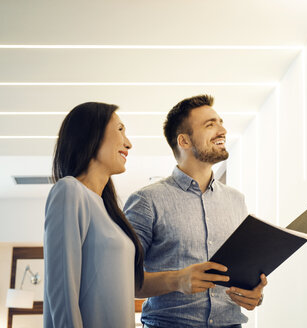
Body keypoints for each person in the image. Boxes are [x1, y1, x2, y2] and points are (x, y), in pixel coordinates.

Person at [124, 95, 267, 328]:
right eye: (210, 125)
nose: (222, 130)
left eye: (220, 122)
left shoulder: (236, 200)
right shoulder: (146, 201)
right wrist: (177, 280)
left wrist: (255, 294)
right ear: (184, 141)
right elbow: (125, 280)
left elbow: (244, 271)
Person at [43, 102, 144, 328]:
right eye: (120, 130)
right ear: (92, 134)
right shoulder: (69, 191)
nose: (128, 142)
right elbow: (62, 293)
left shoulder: (108, 212)